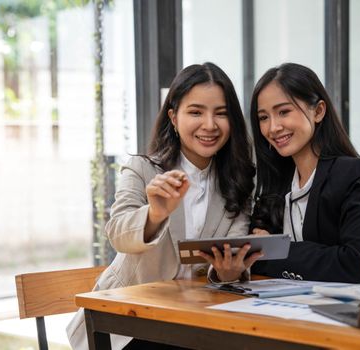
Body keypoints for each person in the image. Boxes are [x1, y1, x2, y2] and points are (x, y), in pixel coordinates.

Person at [66, 62, 259, 350]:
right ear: (173, 116)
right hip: (125, 323)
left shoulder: (239, 181)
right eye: (195, 112)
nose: (209, 125)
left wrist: (227, 272)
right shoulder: (143, 168)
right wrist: (155, 214)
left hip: (194, 322)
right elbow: (118, 233)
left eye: (221, 113)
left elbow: (227, 261)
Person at [249, 62, 360, 283]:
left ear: (318, 111)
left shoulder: (354, 174)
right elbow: (252, 255)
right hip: (277, 312)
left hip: (336, 314)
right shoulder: (275, 184)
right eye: (263, 117)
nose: (273, 127)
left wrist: (278, 250)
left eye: (284, 111)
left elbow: (359, 264)